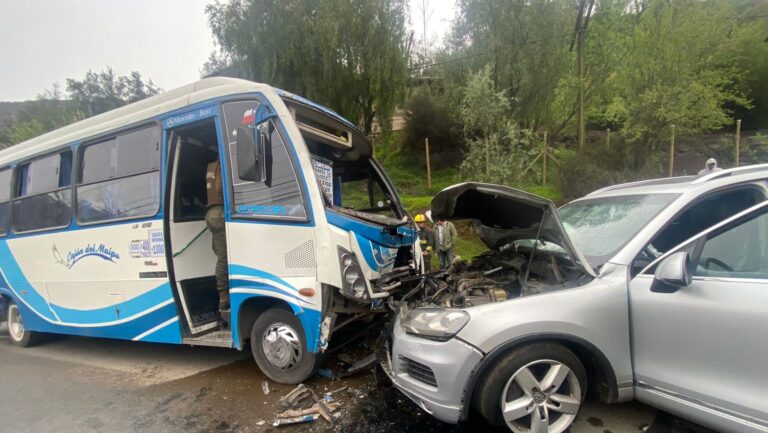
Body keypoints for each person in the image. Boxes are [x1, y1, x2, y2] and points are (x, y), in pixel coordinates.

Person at [205, 158, 230, 316]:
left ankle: (223, 297)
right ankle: (224, 297)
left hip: (211, 213)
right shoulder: (223, 165)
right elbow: (222, 188)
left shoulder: (210, 165)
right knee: (225, 257)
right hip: (220, 212)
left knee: (220, 253)